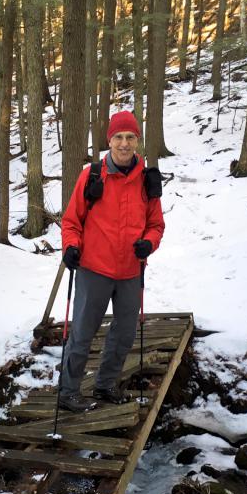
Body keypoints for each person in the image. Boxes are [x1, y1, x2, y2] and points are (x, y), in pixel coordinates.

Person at [59, 111, 165, 413]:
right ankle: (68, 392)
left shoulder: (147, 179)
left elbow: (156, 225)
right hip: (94, 268)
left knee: (124, 333)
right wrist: (70, 247)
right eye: (118, 137)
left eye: (130, 137)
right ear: (109, 141)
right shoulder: (91, 175)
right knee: (82, 331)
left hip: (131, 270)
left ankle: (105, 385)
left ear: (137, 141)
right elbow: (71, 221)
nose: (124, 143)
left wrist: (149, 243)